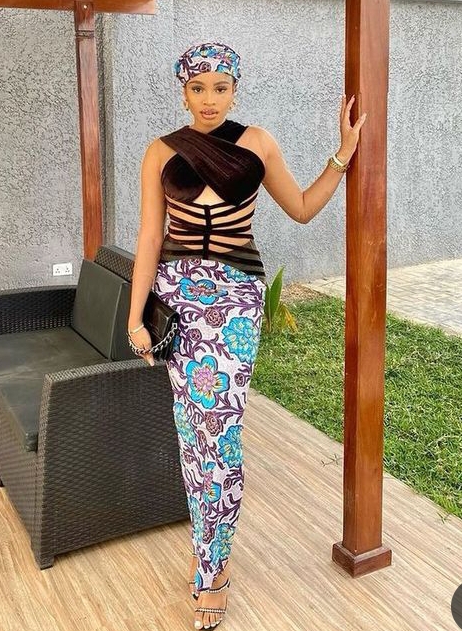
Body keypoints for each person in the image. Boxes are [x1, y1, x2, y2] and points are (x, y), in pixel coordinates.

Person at [127, 41, 367, 630]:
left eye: (220, 88)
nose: (208, 100)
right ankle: (206, 551)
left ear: (235, 90)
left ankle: (215, 569)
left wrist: (341, 155)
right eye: (197, 88)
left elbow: (302, 208)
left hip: (236, 303)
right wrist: (135, 319)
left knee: (222, 434)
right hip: (179, 301)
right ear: (183, 92)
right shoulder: (160, 151)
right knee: (192, 435)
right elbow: (150, 239)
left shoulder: (257, 142)